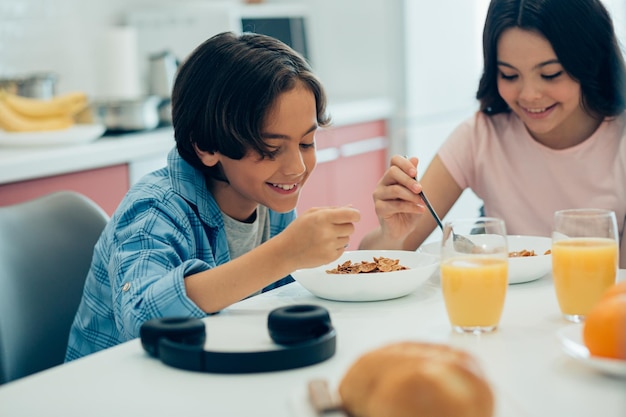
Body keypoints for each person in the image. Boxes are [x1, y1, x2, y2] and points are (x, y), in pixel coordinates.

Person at [65, 32, 360, 360]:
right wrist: (284, 253)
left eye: (306, 143)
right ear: (205, 146)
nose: (296, 167)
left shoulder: (269, 198)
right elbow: (143, 317)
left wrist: (390, 235)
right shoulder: (155, 209)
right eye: (270, 149)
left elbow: (283, 305)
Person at [360, 0, 626, 267]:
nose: (529, 95)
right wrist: (392, 234)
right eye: (509, 75)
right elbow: (378, 262)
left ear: (592, 61)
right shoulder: (480, 136)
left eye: (550, 73)